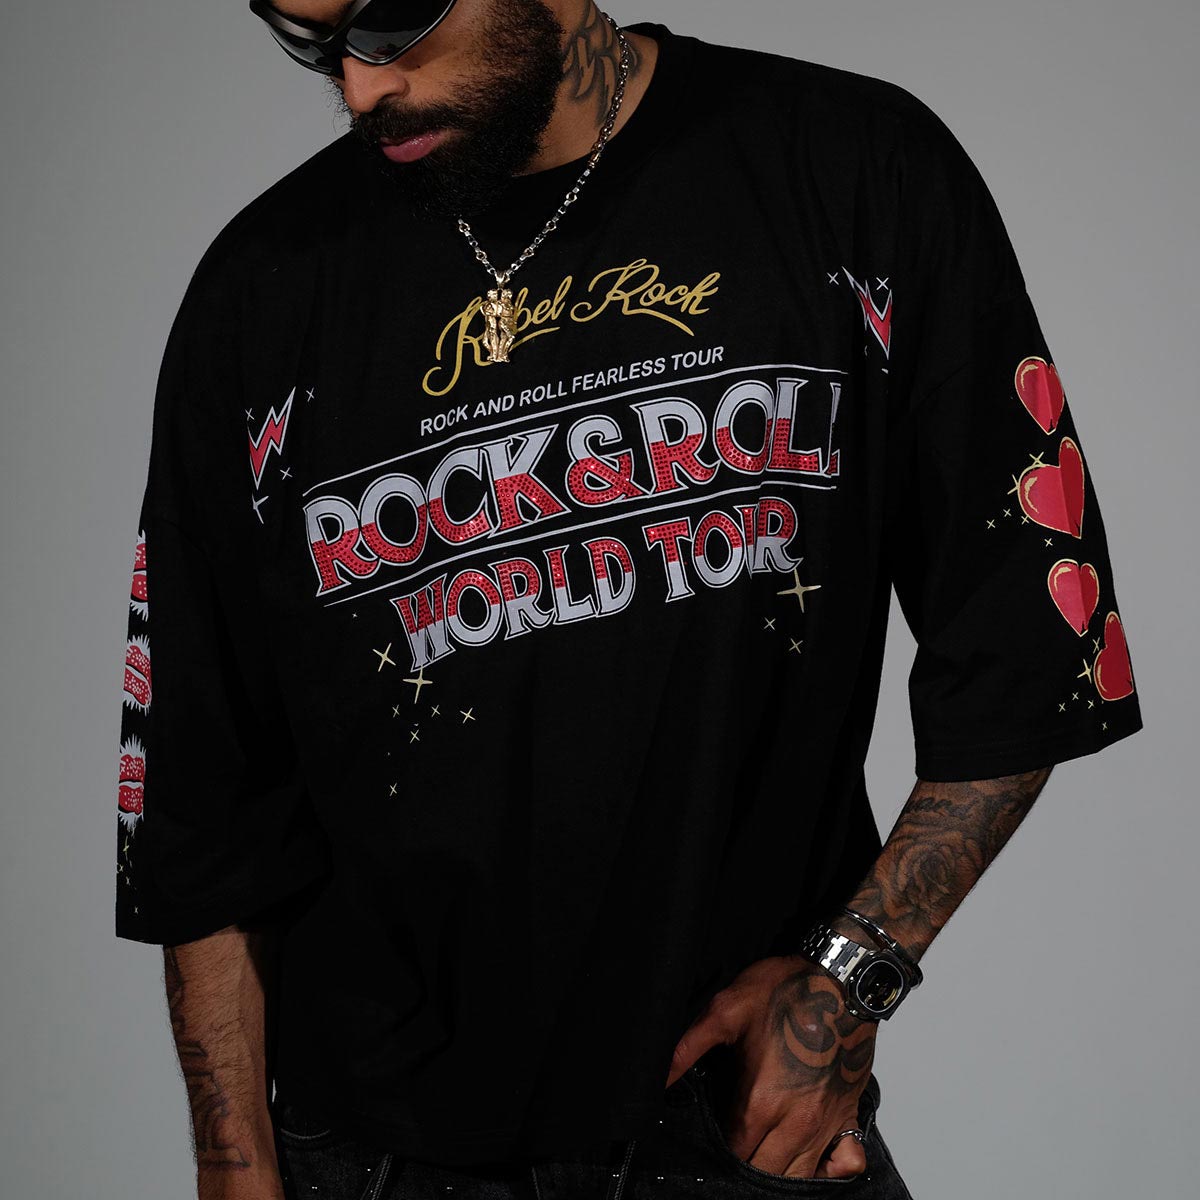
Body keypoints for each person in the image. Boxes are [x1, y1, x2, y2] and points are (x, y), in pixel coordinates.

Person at [112, 2, 1144, 1198]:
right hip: (371, 1156)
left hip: (735, 1133)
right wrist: (233, 1169)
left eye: (390, 21)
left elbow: (1035, 642)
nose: (358, 88)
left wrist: (848, 981)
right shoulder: (263, 293)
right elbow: (206, 809)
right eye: (309, 40)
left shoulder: (851, 171)